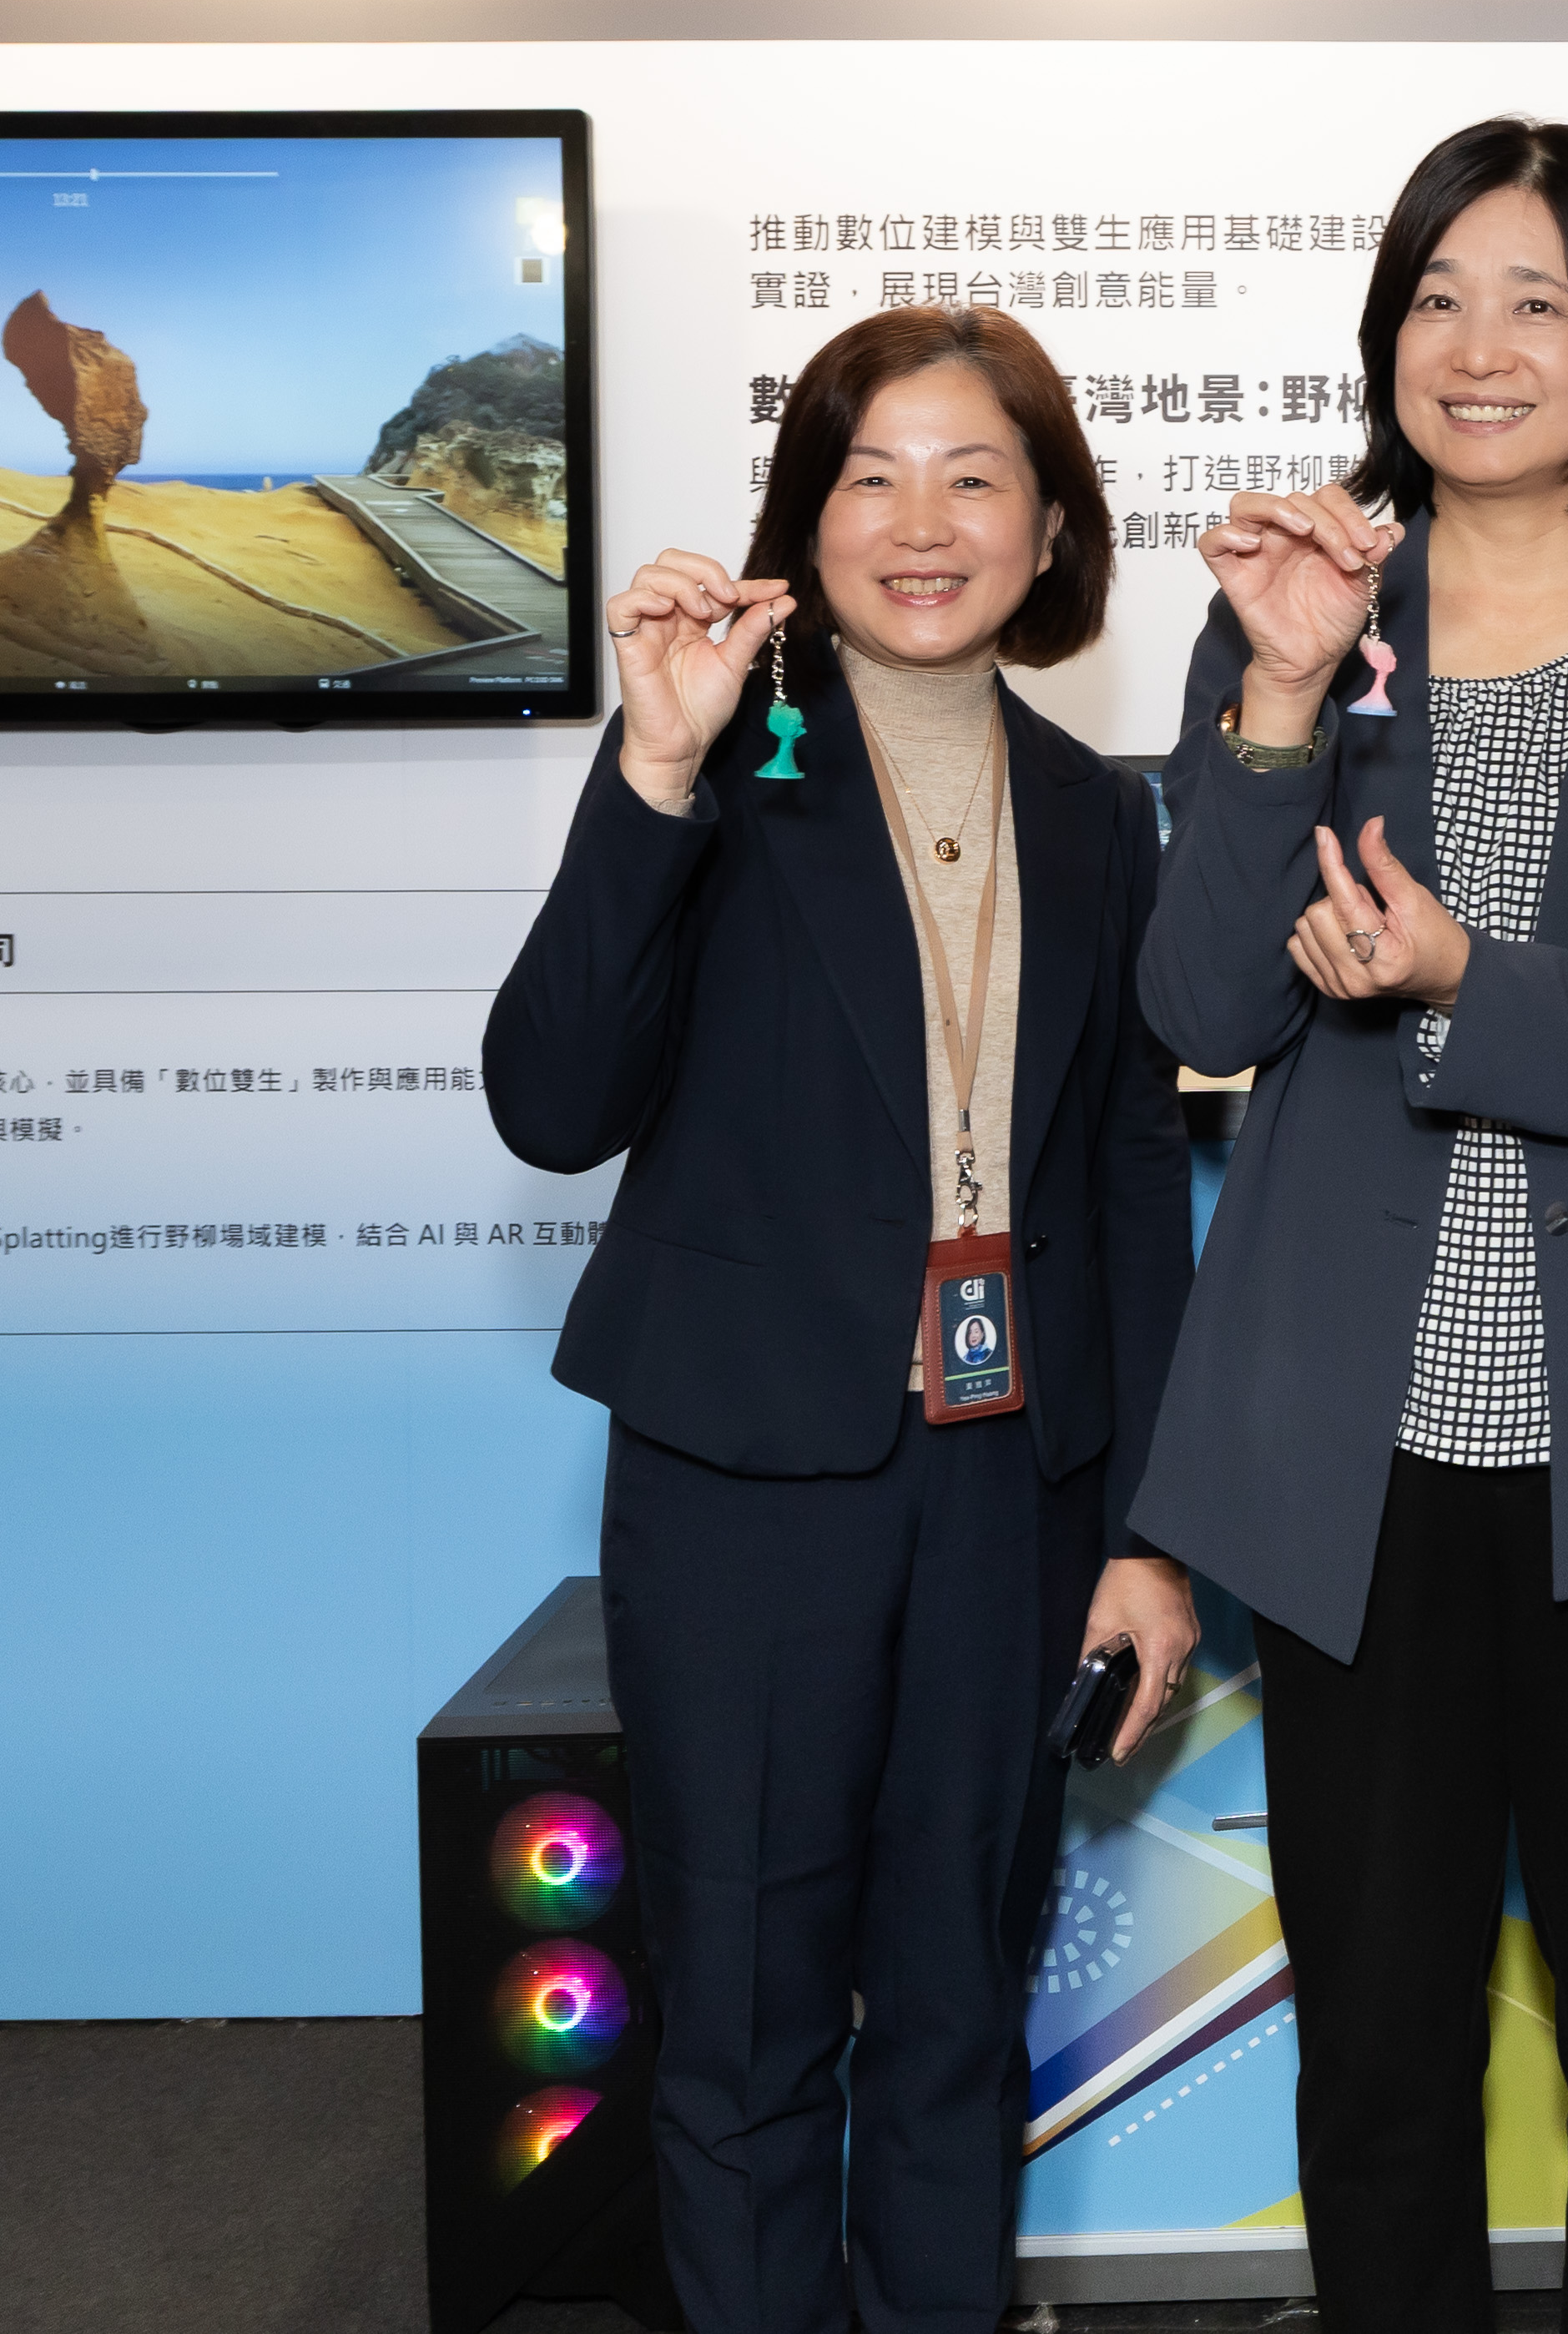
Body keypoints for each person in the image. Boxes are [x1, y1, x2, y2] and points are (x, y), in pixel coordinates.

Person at [1131, 116, 1568, 2334]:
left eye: (1535, 298)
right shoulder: (1299, 615)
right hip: (1351, 1455)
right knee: (1375, 2039)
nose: (1478, 343)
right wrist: (1273, 697)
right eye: (1437, 295)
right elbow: (1200, 1007)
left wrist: (1464, 981)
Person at [482, 305, 1197, 2334]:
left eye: (973, 477)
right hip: (748, 1487)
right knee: (745, 2024)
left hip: (1007, 1491)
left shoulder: (1093, 811)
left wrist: (1144, 1534)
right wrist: (651, 767)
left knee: (959, 2010)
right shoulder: (717, 754)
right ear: (805, 517)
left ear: (1048, 526)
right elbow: (550, 1104)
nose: (921, 522)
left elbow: (1124, 1176)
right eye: (870, 476)